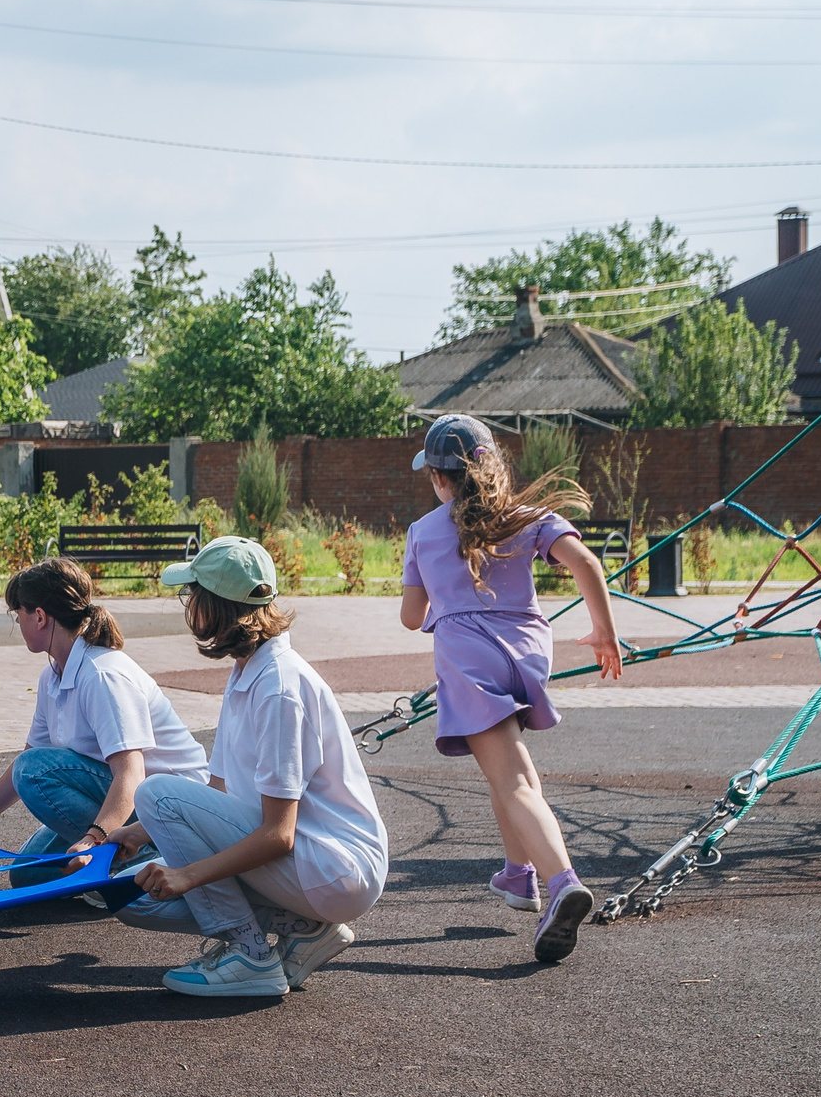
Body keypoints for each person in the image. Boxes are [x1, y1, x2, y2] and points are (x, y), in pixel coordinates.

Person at [102, 537, 390, 999]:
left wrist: (189, 875)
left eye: (191, 594)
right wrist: (139, 835)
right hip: (310, 865)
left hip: (334, 868)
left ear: (216, 607)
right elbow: (217, 796)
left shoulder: (278, 687)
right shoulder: (248, 671)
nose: (187, 604)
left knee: (155, 794)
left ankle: (252, 956)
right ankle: (306, 930)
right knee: (128, 895)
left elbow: (280, 834)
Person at [401, 412, 623, 960]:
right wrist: (604, 633)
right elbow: (585, 561)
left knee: (515, 779)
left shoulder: (424, 531)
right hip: (526, 652)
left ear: (437, 478)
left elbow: (412, 617)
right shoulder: (525, 517)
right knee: (507, 774)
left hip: (468, 661)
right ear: (492, 466)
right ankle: (518, 872)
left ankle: (560, 882)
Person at [0, 556, 209, 887]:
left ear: (39, 616)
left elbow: (131, 774)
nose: (18, 622)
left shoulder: (103, 675)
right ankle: (116, 867)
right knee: (29, 874)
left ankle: (149, 862)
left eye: (19, 614)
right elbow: (22, 766)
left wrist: (94, 838)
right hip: (128, 799)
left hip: (174, 809)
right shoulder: (52, 676)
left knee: (34, 770)